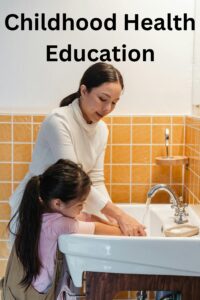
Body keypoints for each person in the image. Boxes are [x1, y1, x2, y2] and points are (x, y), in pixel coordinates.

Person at [9, 62, 146, 237]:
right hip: (36, 211)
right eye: (103, 99)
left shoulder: (102, 130)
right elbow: (74, 181)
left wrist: (112, 219)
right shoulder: (58, 121)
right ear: (83, 91)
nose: (107, 109)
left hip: (64, 214)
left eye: (114, 103)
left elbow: (95, 179)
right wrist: (120, 215)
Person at [1, 159, 123, 299]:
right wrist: (123, 231)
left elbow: (87, 217)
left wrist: (115, 223)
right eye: (80, 204)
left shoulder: (38, 213)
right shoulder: (60, 225)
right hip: (39, 293)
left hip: (24, 286)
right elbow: (96, 228)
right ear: (58, 203)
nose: (82, 208)